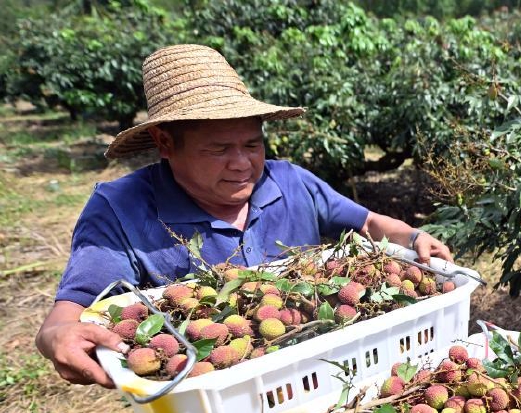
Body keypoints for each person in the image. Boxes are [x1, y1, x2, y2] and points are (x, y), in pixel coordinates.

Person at [35, 44, 452, 388]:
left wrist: (412, 236)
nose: (242, 164)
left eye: (252, 145)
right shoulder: (121, 207)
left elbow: (367, 223)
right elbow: (71, 311)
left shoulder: (290, 180)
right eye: (218, 149)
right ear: (165, 143)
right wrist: (56, 336)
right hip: (216, 394)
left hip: (329, 371)